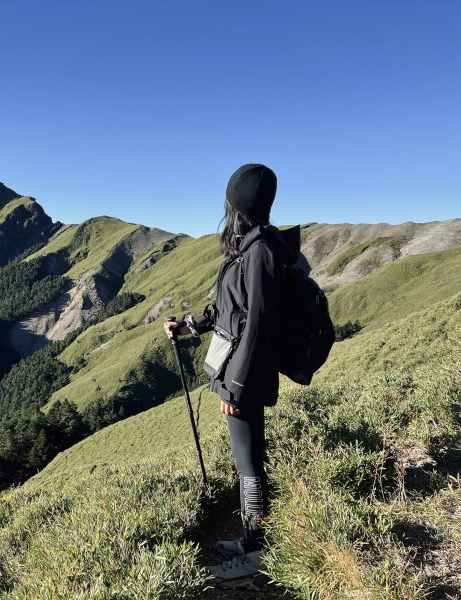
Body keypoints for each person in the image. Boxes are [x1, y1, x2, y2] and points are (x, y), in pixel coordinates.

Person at [163, 163, 299, 588]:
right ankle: (251, 539)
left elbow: (257, 325)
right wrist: (189, 325)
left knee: (248, 463)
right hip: (243, 369)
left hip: (246, 374)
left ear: (235, 204)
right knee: (248, 459)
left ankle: (257, 557)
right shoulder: (253, 246)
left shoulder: (260, 252)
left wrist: (236, 387)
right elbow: (231, 311)